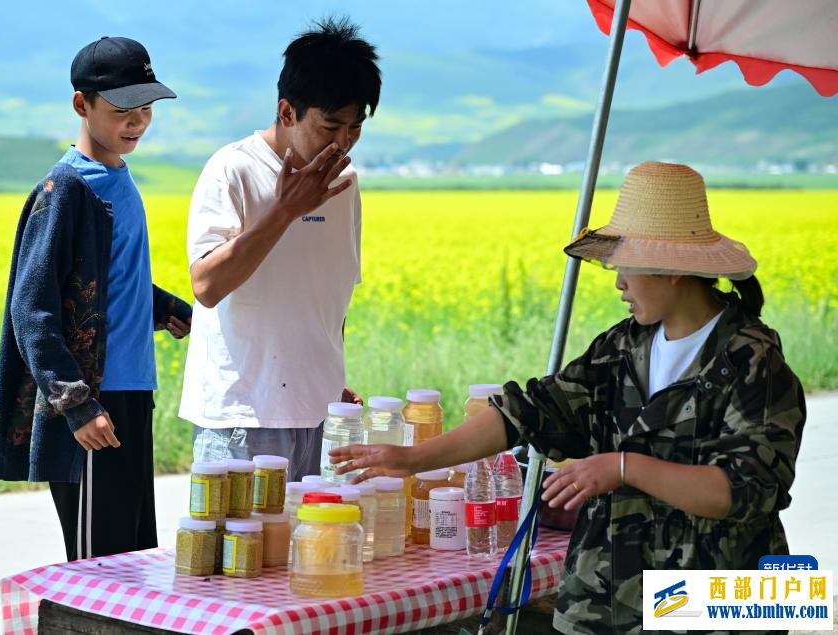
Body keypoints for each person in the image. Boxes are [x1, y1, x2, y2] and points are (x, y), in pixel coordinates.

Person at [330, 161, 806, 634]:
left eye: (626, 265)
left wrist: (622, 467)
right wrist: (414, 458)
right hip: (607, 603)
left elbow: (746, 490)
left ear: (672, 270)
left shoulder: (753, 364)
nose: (618, 281)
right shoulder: (623, 347)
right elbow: (529, 412)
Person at [0, 36, 192, 561]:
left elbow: (108, 284)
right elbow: (32, 309)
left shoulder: (119, 178)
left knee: (133, 553)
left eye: (146, 109)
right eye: (123, 108)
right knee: (98, 567)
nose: (138, 121)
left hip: (131, 390)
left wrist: (170, 311)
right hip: (92, 401)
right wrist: (76, 404)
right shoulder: (68, 188)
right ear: (82, 104)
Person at [179, 17, 382, 480]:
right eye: (330, 125)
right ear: (287, 112)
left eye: (355, 127)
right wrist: (286, 209)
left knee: (316, 550)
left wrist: (324, 371)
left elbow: (333, 294)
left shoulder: (345, 185)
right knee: (242, 552)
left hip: (321, 415)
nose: (343, 142)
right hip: (243, 419)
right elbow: (206, 285)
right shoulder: (233, 170)